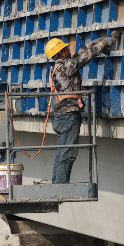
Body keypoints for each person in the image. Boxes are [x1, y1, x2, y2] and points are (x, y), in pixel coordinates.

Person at [46, 33, 117, 183]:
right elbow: (84, 58)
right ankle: (60, 186)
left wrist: (92, 43)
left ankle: (57, 184)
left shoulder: (58, 67)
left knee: (63, 152)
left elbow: (78, 55)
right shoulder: (66, 67)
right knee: (68, 153)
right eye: (65, 49)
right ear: (60, 53)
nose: (68, 49)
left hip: (61, 117)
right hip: (68, 116)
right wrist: (104, 43)